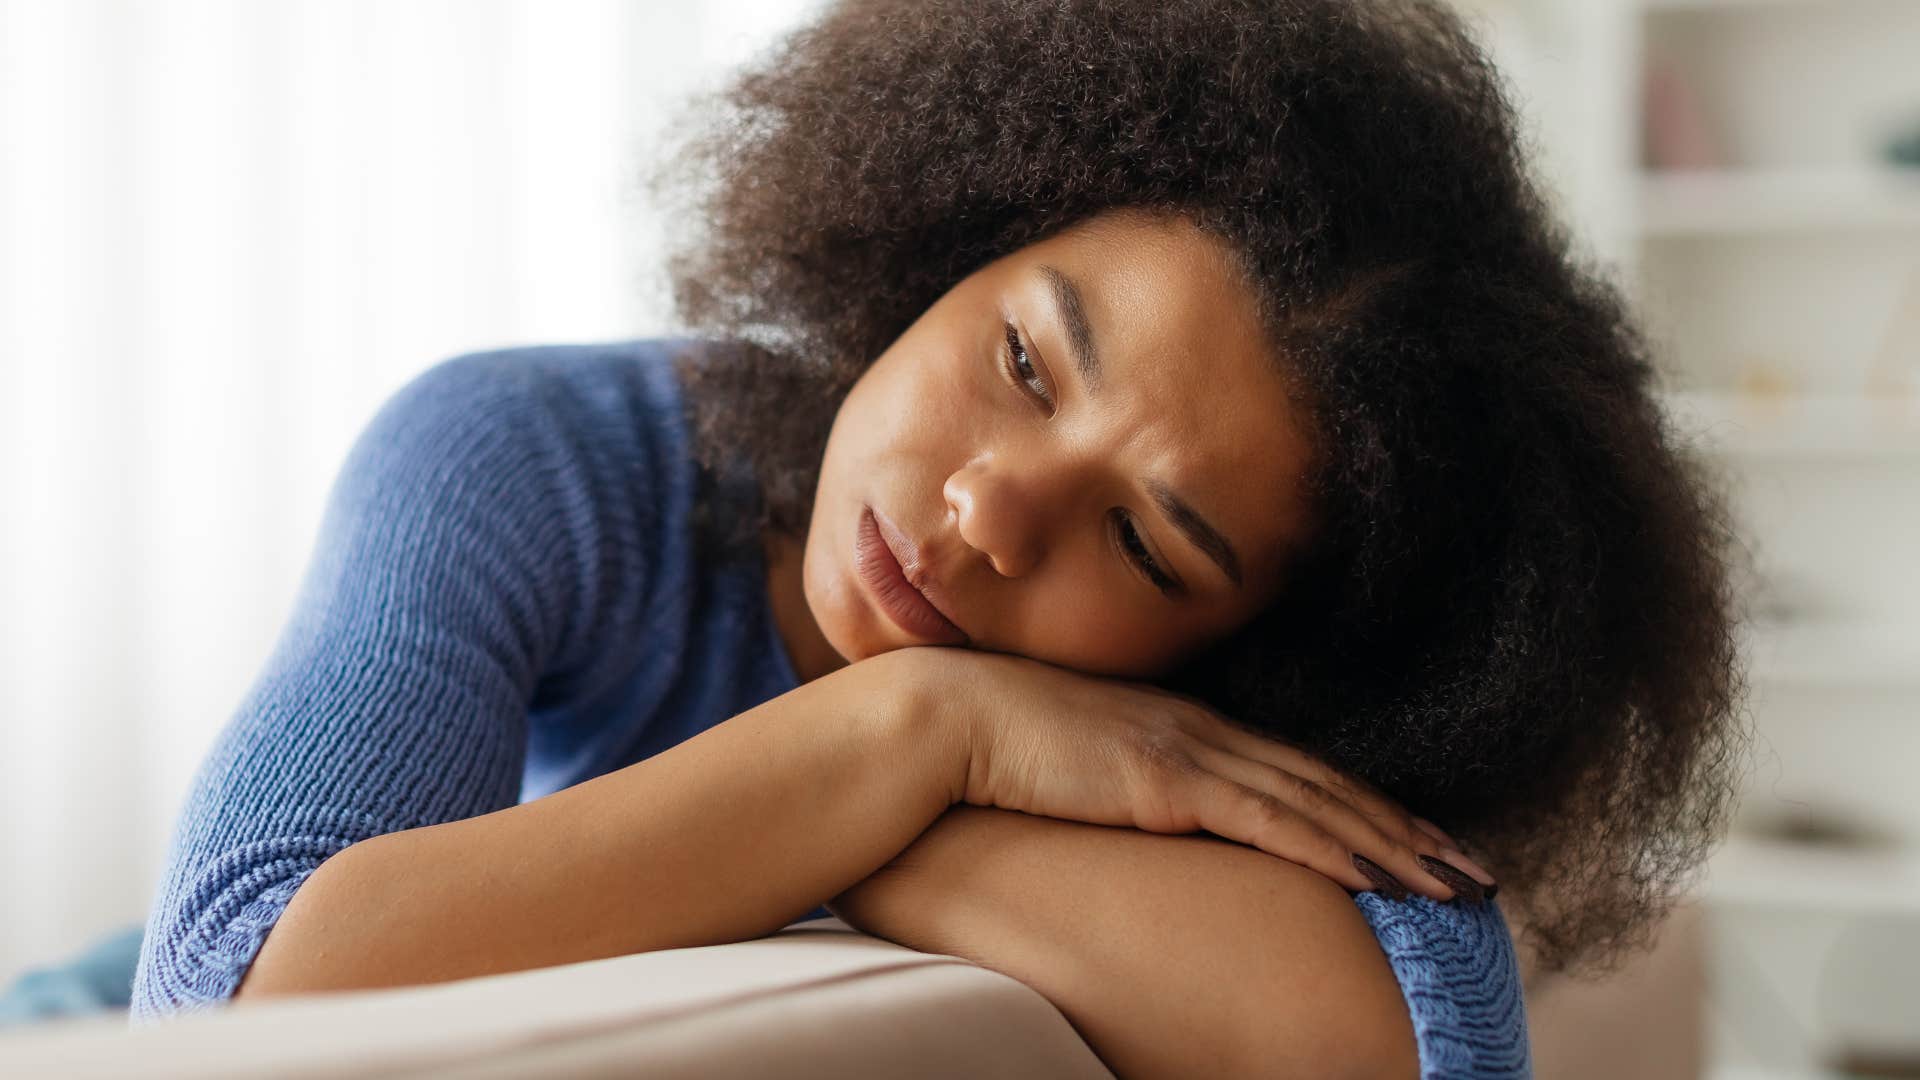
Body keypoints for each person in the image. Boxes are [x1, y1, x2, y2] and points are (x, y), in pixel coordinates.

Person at [122, 0, 1749, 1075]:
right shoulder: (527, 457)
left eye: (1148, 548)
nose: (989, 511)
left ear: (1248, 656)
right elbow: (229, 994)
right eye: (1025, 360)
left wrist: (873, 802)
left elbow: (1428, 1036)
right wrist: (930, 728)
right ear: (948, 243)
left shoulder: (1196, 731)